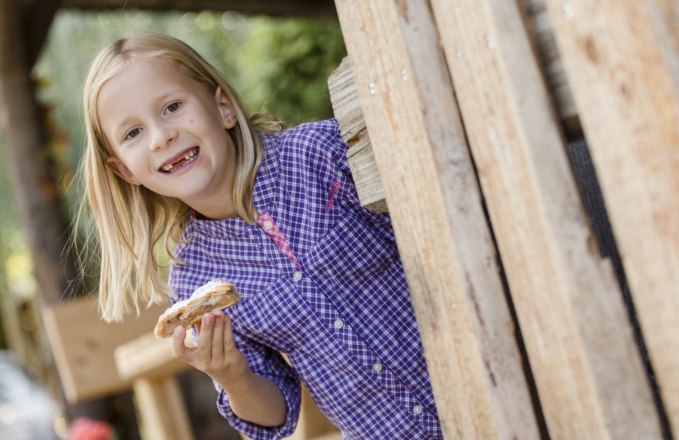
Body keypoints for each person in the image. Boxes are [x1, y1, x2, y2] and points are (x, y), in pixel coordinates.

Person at [77, 32, 443, 439]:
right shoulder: (194, 280)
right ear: (125, 171)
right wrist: (233, 378)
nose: (161, 136)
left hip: (480, 368)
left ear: (223, 107)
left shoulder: (318, 154)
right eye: (133, 133)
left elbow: (432, 221)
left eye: (173, 107)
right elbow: (274, 417)